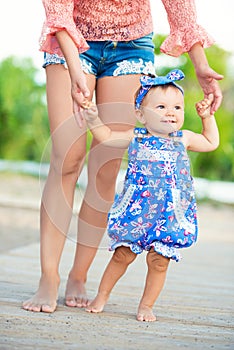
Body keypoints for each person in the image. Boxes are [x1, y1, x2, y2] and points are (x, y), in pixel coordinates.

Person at [22, 0, 223, 313]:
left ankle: (79, 275)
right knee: (67, 157)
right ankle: (48, 277)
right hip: (71, 40)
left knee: (106, 163)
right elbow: (58, 11)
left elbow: (180, 5)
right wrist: (75, 70)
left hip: (132, 44)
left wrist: (200, 64)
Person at [83, 69, 219, 321]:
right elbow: (105, 136)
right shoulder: (135, 137)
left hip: (169, 212)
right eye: (161, 106)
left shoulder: (183, 138)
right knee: (123, 254)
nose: (171, 112)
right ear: (140, 114)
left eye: (177, 107)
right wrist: (93, 119)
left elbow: (211, 142)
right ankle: (101, 295)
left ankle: (146, 305)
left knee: (159, 261)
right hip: (138, 210)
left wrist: (206, 117)